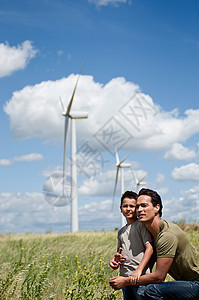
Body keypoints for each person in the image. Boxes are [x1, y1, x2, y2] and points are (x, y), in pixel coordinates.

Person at [109, 188, 199, 300]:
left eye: (144, 206)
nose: (139, 210)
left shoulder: (167, 235)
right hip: (187, 283)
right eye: (137, 206)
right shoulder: (153, 234)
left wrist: (127, 281)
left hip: (196, 284)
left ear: (157, 208)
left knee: (150, 290)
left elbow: (159, 277)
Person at [109, 191, 154, 300]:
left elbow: (150, 248)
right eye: (125, 206)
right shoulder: (121, 232)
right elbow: (119, 253)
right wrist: (115, 261)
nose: (128, 209)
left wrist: (139, 270)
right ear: (120, 209)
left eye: (132, 206)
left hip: (140, 278)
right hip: (124, 279)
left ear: (137, 208)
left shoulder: (141, 225)